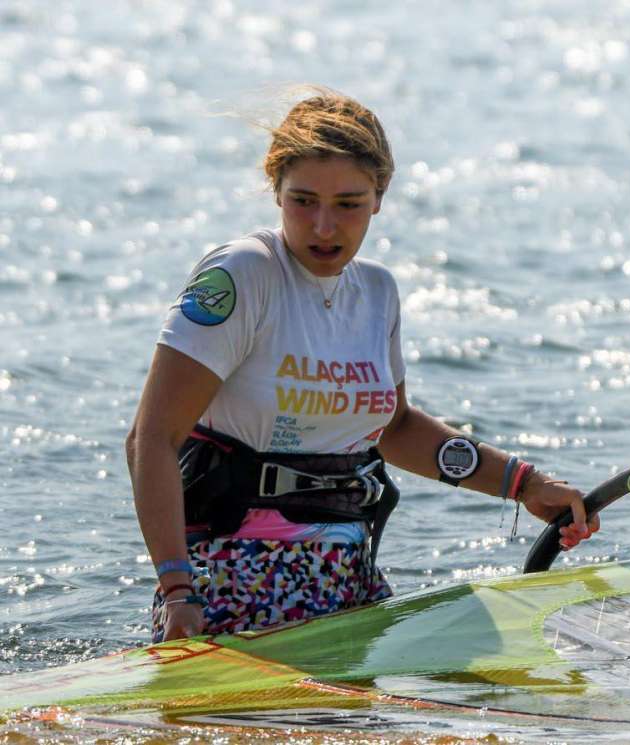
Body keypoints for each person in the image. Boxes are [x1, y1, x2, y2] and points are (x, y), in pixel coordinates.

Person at [126, 88, 598, 643]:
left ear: (380, 197)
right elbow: (150, 439)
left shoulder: (376, 290)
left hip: (351, 576)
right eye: (303, 201)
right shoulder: (242, 274)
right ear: (275, 191)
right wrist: (179, 590)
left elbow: (394, 430)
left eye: (348, 204)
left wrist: (523, 483)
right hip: (230, 582)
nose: (324, 227)